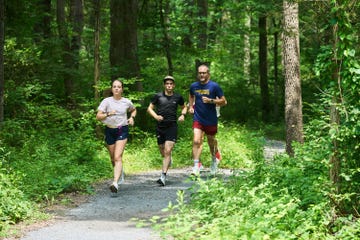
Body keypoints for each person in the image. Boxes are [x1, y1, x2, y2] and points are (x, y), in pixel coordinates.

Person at [96, 79, 137, 193]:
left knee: (118, 157)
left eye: (119, 87)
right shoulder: (106, 101)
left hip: (122, 130)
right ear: (112, 89)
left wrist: (131, 117)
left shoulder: (126, 102)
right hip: (109, 130)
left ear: (122, 89)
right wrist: (108, 113)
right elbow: (98, 116)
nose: (116, 88)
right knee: (113, 158)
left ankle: (115, 183)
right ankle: (120, 173)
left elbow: (133, 110)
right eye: (114, 86)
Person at [147, 75, 187, 186]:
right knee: (162, 150)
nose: (169, 85)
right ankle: (168, 159)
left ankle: (163, 176)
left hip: (172, 126)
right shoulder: (158, 96)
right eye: (167, 84)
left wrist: (183, 115)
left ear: (173, 85)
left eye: (171, 84)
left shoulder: (178, 97)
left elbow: (184, 107)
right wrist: (156, 116)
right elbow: (149, 108)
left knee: (167, 150)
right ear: (164, 85)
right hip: (160, 126)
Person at [188, 64, 227, 175]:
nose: (202, 75)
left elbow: (224, 101)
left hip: (210, 119)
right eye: (200, 73)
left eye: (204, 73)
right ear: (198, 74)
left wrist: (211, 101)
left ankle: (214, 160)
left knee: (211, 142)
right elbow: (191, 95)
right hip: (198, 118)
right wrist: (191, 106)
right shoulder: (194, 86)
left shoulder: (214, 86)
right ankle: (196, 166)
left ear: (208, 74)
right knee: (196, 140)